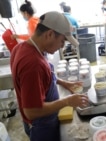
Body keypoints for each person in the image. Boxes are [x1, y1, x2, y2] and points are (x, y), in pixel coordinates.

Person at [10, 11, 89, 141]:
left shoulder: (23, 48)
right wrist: (67, 101)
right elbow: (32, 111)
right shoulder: (32, 63)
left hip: (46, 120)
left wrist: (63, 82)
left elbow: (42, 77)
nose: (62, 47)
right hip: (42, 126)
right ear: (50, 34)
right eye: (62, 42)